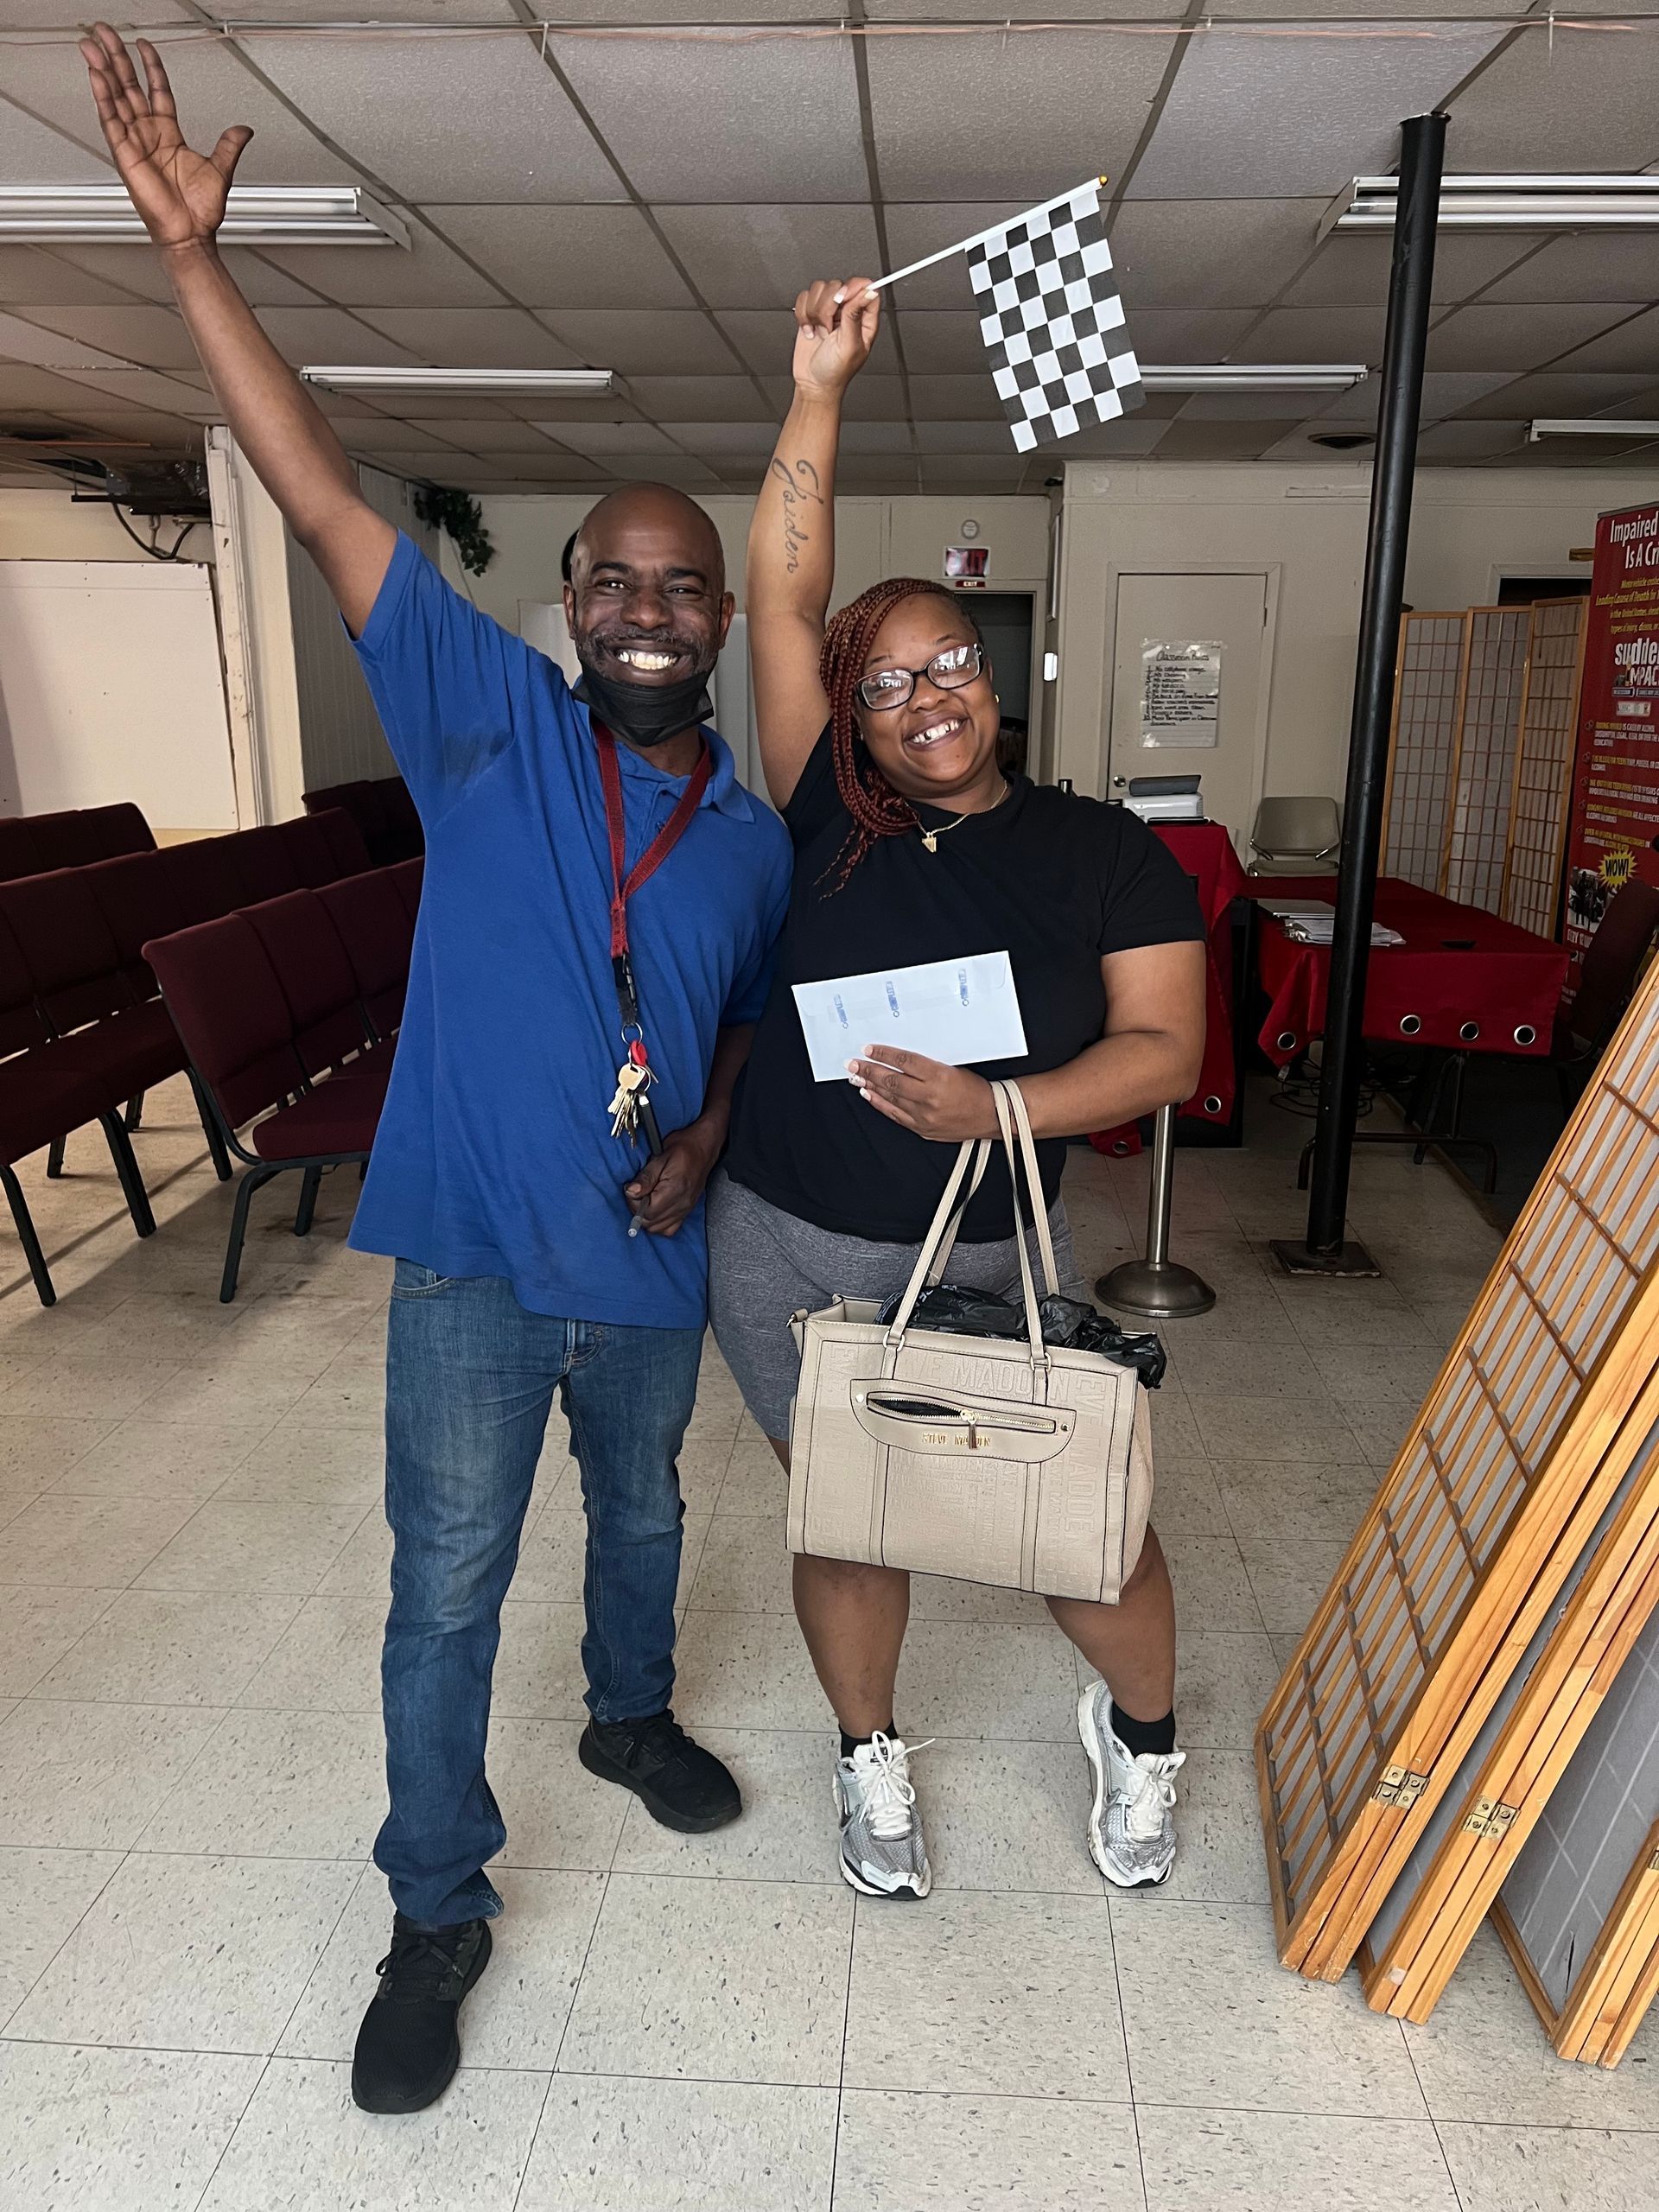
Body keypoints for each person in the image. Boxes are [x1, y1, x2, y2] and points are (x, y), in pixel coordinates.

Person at [79, 26, 791, 2115]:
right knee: (448, 1581)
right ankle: (435, 1903)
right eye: (619, 578)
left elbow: (737, 1009)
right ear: (569, 601)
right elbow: (309, 485)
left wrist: (724, 1123)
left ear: (717, 627)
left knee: (645, 1521)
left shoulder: (751, 834)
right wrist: (195, 263)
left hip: (650, 1256)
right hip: (478, 1250)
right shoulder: (482, 714)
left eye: (687, 586)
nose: (651, 608)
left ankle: (632, 1718)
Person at [709, 276, 1208, 1903]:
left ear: (991, 679)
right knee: (845, 1520)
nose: (927, 699)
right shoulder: (820, 811)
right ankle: (870, 1757)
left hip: (990, 1258)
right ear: (852, 711)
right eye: (889, 681)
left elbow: (1165, 1055)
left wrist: (1000, 1111)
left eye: (951, 667)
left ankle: (1139, 1737)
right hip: (783, 1241)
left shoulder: (1098, 850)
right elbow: (783, 603)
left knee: (1084, 1533)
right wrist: (816, 393)